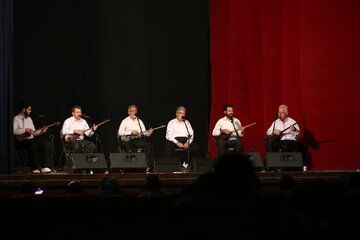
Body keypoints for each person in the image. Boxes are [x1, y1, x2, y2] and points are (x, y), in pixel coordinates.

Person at [13, 103, 54, 173]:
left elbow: (33, 133)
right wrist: (25, 130)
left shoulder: (29, 119)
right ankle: (34, 168)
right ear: (24, 109)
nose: (30, 111)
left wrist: (41, 131)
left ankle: (46, 166)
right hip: (21, 142)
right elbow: (14, 131)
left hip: (31, 140)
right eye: (29, 109)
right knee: (31, 143)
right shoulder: (16, 118)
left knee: (47, 144)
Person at [118, 105, 154, 173]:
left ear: (136, 112)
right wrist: (130, 132)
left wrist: (148, 133)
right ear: (128, 112)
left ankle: (147, 166)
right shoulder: (125, 121)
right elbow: (120, 132)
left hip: (137, 140)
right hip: (127, 139)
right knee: (129, 147)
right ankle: (129, 168)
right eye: (131, 111)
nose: (133, 112)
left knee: (148, 145)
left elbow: (144, 132)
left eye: (134, 111)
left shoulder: (139, 121)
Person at [164, 106, 198, 172]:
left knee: (195, 147)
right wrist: (176, 142)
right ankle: (168, 166)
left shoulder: (187, 122)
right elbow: (168, 135)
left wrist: (188, 142)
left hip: (186, 140)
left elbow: (191, 133)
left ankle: (189, 166)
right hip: (175, 140)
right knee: (168, 147)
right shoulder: (171, 122)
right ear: (176, 114)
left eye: (183, 113)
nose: (182, 115)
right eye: (180, 113)